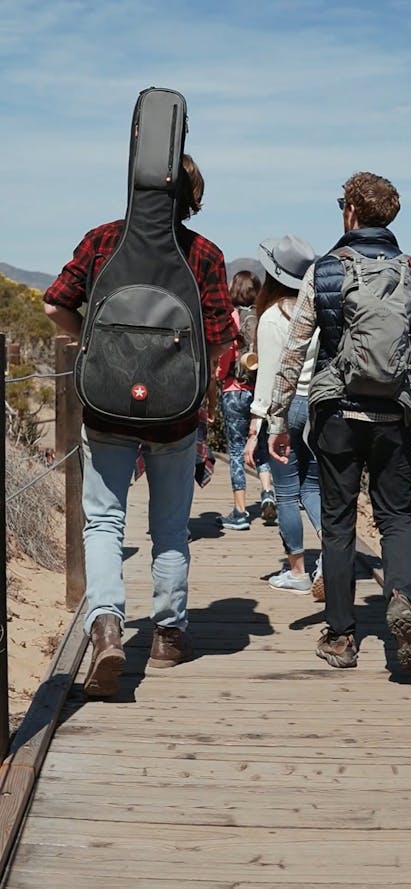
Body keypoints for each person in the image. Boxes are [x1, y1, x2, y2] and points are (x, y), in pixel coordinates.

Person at [44, 153, 237, 696]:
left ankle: (106, 626)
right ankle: (168, 636)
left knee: (104, 521)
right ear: (190, 198)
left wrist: (97, 349)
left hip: (105, 406)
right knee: (170, 527)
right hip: (175, 416)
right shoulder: (203, 254)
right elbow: (222, 338)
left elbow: (55, 305)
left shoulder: (103, 240)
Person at [267, 173, 411, 671]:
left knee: (339, 522)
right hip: (394, 416)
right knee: (395, 518)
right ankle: (402, 601)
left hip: (336, 416)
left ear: (349, 211)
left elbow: (294, 351)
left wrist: (278, 419)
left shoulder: (325, 271)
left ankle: (342, 637)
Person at [245, 235, 324, 597]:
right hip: (317, 406)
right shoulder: (319, 312)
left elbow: (270, 376)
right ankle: (332, 557)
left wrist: (256, 426)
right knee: (313, 486)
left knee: (287, 491)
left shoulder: (272, 317)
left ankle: (297, 570)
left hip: (285, 408)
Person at [215, 270, 276, 530]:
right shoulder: (263, 318)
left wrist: (218, 376)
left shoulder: (233, 319)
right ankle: (267, 493)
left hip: (233, 390)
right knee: (261, 444)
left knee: (237, 450)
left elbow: (224, 358)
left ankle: (240, 512)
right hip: (259, 391)